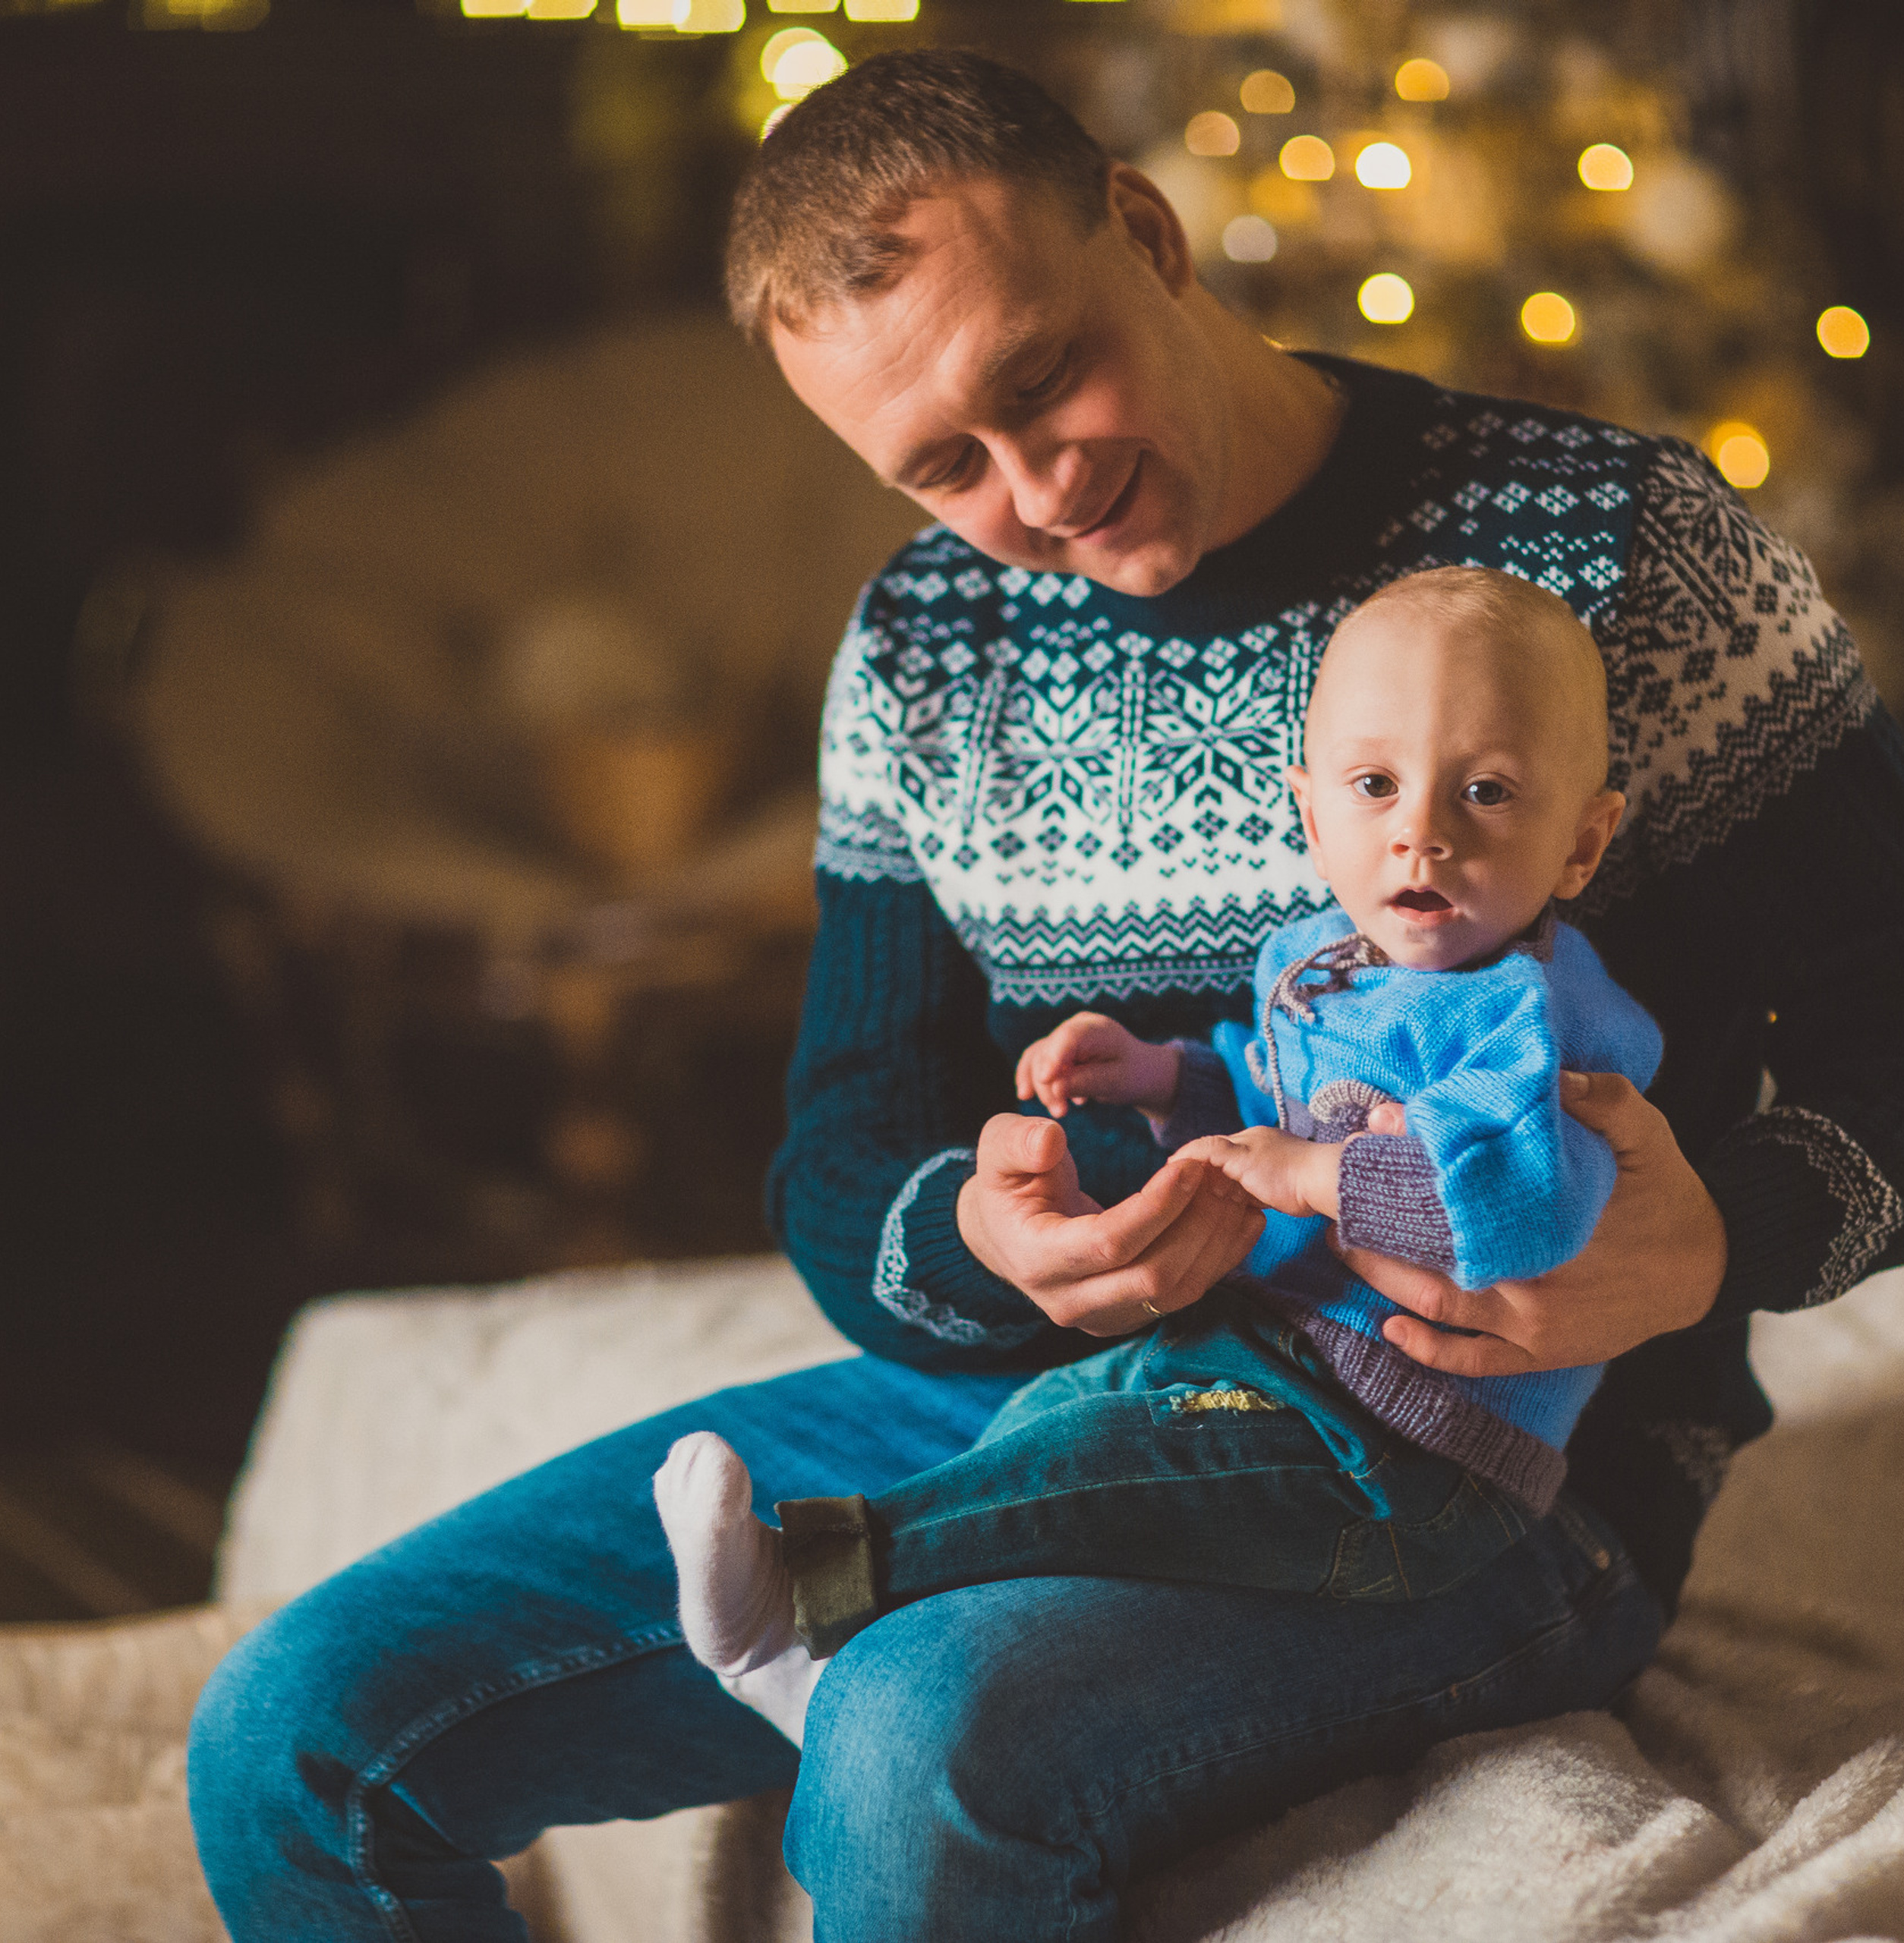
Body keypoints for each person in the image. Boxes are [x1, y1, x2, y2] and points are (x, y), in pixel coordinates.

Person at [185, 49, 1904, 1943]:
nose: (1034, 487)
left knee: (911, 1734)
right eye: (941, 465)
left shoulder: (1617, 549)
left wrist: (1717, 1235)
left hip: (1468, 1475)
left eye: (1038, 381)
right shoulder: (927, 650)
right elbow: (848, 1139)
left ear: (1141, 225)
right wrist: (972, 1236)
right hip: (1045, 1404)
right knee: (297, 1739)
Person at [652, 565, 1665, 1732]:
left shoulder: (1536, 1021)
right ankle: (821, 1665)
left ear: (1583, 843)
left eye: (1485, 792)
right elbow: (1264, 1080)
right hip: (1272, 1359)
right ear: (1312, 810)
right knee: (1059, 1414)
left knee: (1109, 1475)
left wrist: (1314, 1177)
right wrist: (1153, 1074)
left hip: (1418, 1458)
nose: (1420, 835)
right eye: (1375, 787)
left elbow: (1534, 1202)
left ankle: (805, 1588)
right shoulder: (1321, 955)